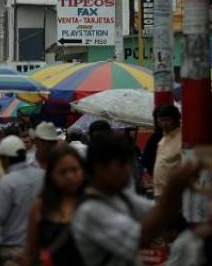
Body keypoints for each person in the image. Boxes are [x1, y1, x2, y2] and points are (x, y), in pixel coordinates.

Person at [72, 132, 200, 266]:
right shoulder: (90, 210)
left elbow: (157, 212)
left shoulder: (121, 197)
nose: (128, 170)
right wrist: (173, 187)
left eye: (129, 164)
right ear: (99, 169)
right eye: (121, 165)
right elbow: (140, 237)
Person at [23, 145, 86, 266]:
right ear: (51, 175)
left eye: (74, 170)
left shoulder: (93, 203)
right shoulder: (40, 207)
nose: (70, 176)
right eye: (63, 172)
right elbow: (30, 253)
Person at [0, 135, 44, 266]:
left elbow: (0, 216)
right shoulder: (42, 175)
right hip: (39, 248)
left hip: (12, 250)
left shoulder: (7, 181)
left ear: (5, 159)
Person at [153, 104, 182, 199]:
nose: (164, 124)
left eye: (168, 120)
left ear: (176, 119)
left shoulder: (182, 138)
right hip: (159, 191)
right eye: (161, 120)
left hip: (174, 193)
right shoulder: (163, 138)